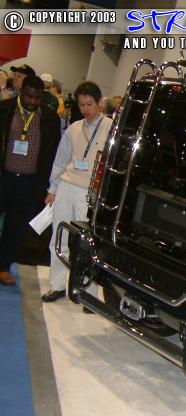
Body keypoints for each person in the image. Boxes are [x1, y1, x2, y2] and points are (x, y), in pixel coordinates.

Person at [41, 81, 112, 303]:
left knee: (87, 243)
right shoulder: (73, 128)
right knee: (58, 236)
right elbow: (61, 160)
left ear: (99, 103)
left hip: (90, 192)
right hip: (67, 186)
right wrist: (53, 189)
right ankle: (57, 285)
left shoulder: (111, 128)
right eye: (81, 104)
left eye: (89, 104)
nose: (85, 109)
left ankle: (88, 293)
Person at [0, 75, 62, 285]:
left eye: (37, 98)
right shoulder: (4, 110)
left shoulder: (51, 118)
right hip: (4, 177)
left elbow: (53, 154)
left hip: (30, 183)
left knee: (16, 228)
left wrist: (48, 186)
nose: (32, 101)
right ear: (21, 92)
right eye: (28, 96)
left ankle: (3, 266)